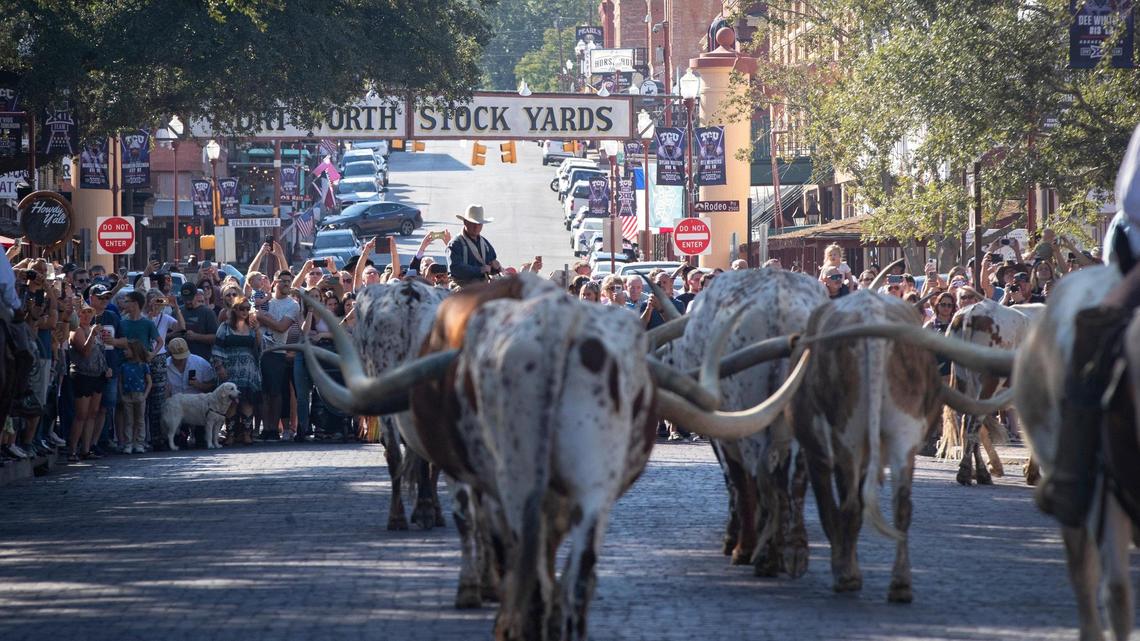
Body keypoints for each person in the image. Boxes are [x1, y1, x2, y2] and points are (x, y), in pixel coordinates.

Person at [212, 295, 261, 445]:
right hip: (230, 369)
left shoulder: (252, 327)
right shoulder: (225, 327)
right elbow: (217, 347)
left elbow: (258, 347)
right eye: (242, 308)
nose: (245, 311)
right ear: (235, 310)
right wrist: (219, 367)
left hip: (248, 371)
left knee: (247, 402)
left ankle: (247, 434)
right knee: (231, 403)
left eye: (248, 308)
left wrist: (258, 330)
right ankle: (231, 435)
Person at [257, 270, 300, 440]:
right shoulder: (267, 301)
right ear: (275, 282)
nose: (286, 284)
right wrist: (261, 315)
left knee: (275, 392)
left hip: (277, 351)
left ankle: (274, 429)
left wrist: (262, 317)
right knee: (264, 393)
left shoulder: (293, 305)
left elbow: (282, 327)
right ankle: (265, 428)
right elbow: (254, 316)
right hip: (260, 350)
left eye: (289, 282)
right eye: (282, 281)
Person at [68, 301, 109, 462]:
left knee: (93, 413)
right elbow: (85, 352)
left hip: (97, 375)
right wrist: (92, 334)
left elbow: (99, 352)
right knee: (81, 415)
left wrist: (106, 368)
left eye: (89, 312)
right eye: (83, 312)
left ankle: (86, 448)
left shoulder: (95, 330)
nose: (86, 315)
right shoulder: (76, 330)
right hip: (83, 375)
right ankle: (72, 450)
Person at [448, 204, 500, 287]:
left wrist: (496, 266)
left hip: (483, 285)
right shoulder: (455, 244)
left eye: (479, 224)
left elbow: (492, 263)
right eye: (473, 223)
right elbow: (456, 268)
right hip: (463, 287)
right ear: (465, 222)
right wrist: (480, 270)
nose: (476, 227)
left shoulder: (485, 243)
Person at [119, 340, 152, 454]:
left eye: (127, 349)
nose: (124, 352)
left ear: (135, 351)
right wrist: (122, 395)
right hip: (127, 395)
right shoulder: (123, 366)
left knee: (140, 420)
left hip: (140, 396)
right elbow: (120, 382)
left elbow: (149, 382)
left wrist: (145, 395)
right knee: (129, 420)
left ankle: (139, 443)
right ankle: (128, 443)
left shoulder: (143, 366)